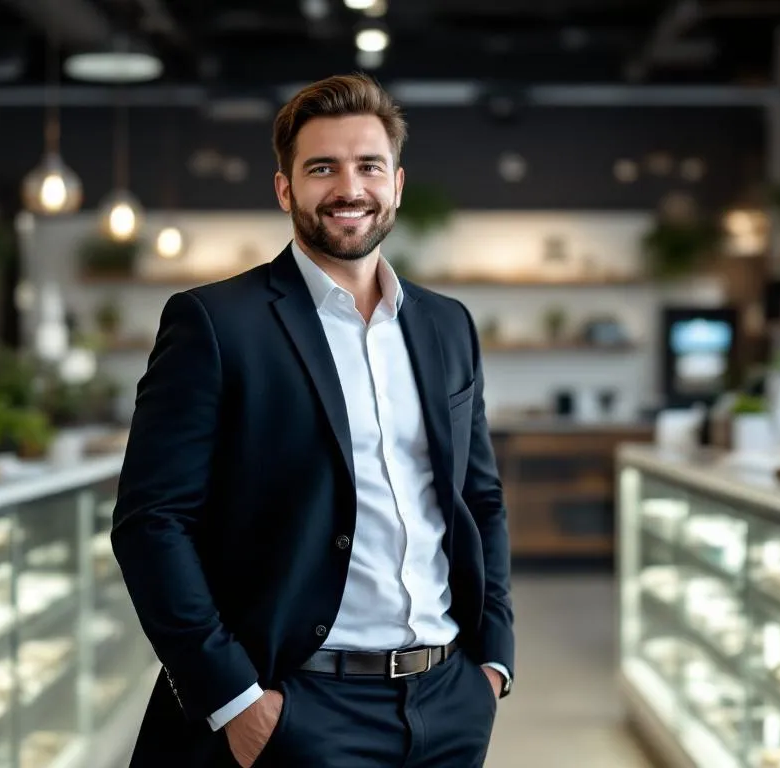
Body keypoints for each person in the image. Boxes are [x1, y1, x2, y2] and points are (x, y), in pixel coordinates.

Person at [110, 73, 516, 768]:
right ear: (285, 189)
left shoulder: (447, 325)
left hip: (448, 700)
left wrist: (493, 661)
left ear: (397, 184)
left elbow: (478, 499)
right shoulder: (215, 323)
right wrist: (235, 700)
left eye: (369, 166)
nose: (349, 188)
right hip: (297, 707)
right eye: (322, 168)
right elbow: (151, 523)